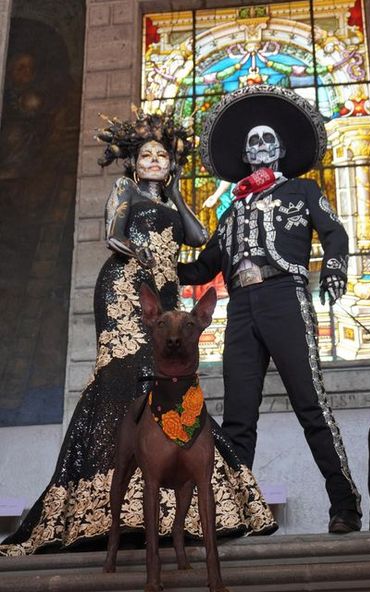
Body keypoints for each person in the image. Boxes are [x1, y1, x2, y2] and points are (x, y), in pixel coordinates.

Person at [0, 109, 276, 557]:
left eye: (162, 156)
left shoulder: (167, 198)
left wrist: (177, 190)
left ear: (170, 164)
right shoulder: (123, 189)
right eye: (146, 155)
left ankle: (168, 489)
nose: (153, 160)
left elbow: (198, 232)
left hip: (165, 295)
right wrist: (144, 256)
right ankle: (110, 501)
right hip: (126, 287)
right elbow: (114, 235)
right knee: (123, 379)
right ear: (133, 163)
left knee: (167, 383)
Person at [178, 85, 362, 534]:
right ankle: (237, 513)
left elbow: (335, 234)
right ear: (245, 154)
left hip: (285, 298)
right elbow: (205, 265)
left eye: (267, 141)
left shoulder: (302, 190)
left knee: (310, 405)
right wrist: (163, 265)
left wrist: (335, 269)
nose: (260, 148)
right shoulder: (231, 209)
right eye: (253, 143)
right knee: (239, 416)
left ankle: (345, 505)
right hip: (241, 309)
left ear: (279, 150)